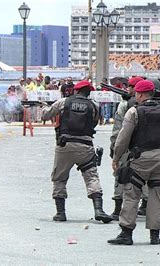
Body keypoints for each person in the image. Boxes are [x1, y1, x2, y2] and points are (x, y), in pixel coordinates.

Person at [108, 80, 160, 245]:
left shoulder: (134, 112)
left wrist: (116, 158)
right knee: (156, 194)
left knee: (132, 192)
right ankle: (155, 235)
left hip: (141, 158)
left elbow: (123, 138)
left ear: (140, 94)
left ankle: (126, 233)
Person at [41, 80, 113, 223]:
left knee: (59, 178)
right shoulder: (94, 106)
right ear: (89, 92)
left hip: (65, 146)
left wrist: (44, 107)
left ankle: (60, 213)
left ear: (75, 90)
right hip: (85, 146)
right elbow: (94, 122)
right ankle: (99, 210)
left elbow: (45, 115)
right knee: (91, 176)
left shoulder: (64, 102)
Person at [109, 76, 143, 220]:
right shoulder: (158, 105)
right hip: (146, 147)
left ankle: (118, 209)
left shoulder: (125, 105)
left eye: (130, 86)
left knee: (121, 175)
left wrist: (114, 147)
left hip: (127, 146)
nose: (127, 88)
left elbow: (118, 129)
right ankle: (147, 207)